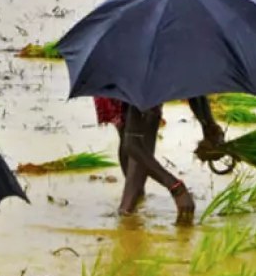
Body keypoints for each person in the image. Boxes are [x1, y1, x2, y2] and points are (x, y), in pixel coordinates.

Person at [95, 96, 225, 224]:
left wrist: (209, 126)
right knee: (141, 127)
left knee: (129, 126)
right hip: (134, 88)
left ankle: (132, 205)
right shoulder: (143, 88)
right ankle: (126, 216)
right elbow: (132, 144)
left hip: (122, 87)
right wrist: (177, 188)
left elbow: (192, 85)